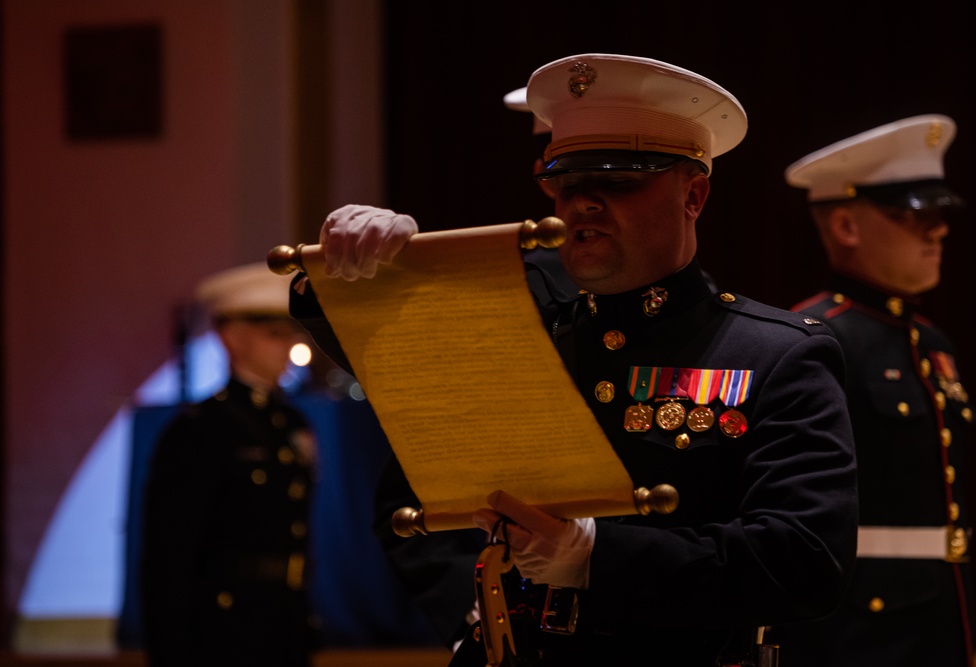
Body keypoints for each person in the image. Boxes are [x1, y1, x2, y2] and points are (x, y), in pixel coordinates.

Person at [290, 53, 858, 666]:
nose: (580, 202)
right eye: (565, 181)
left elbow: (805, 563)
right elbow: (396, 363)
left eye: (616, 180)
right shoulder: (525, 333)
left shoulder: (776, 353)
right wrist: (355, 273)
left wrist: (597, 557)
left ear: (693, 195)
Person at [767, 115, 974, 666]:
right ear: (846, 227)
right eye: (914, 215)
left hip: (947, 615)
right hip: (859, 627)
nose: (938, 230)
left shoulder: (932, 342)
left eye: (938, 215)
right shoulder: (812, 338)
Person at [140, 262, 318, 666]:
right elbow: (169, 558)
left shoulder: (290, 423)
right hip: (222, 630)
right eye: (273, 334)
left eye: (289, 332)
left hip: (283, 622)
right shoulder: (202, 430)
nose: (287, 344)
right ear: (233, 338)